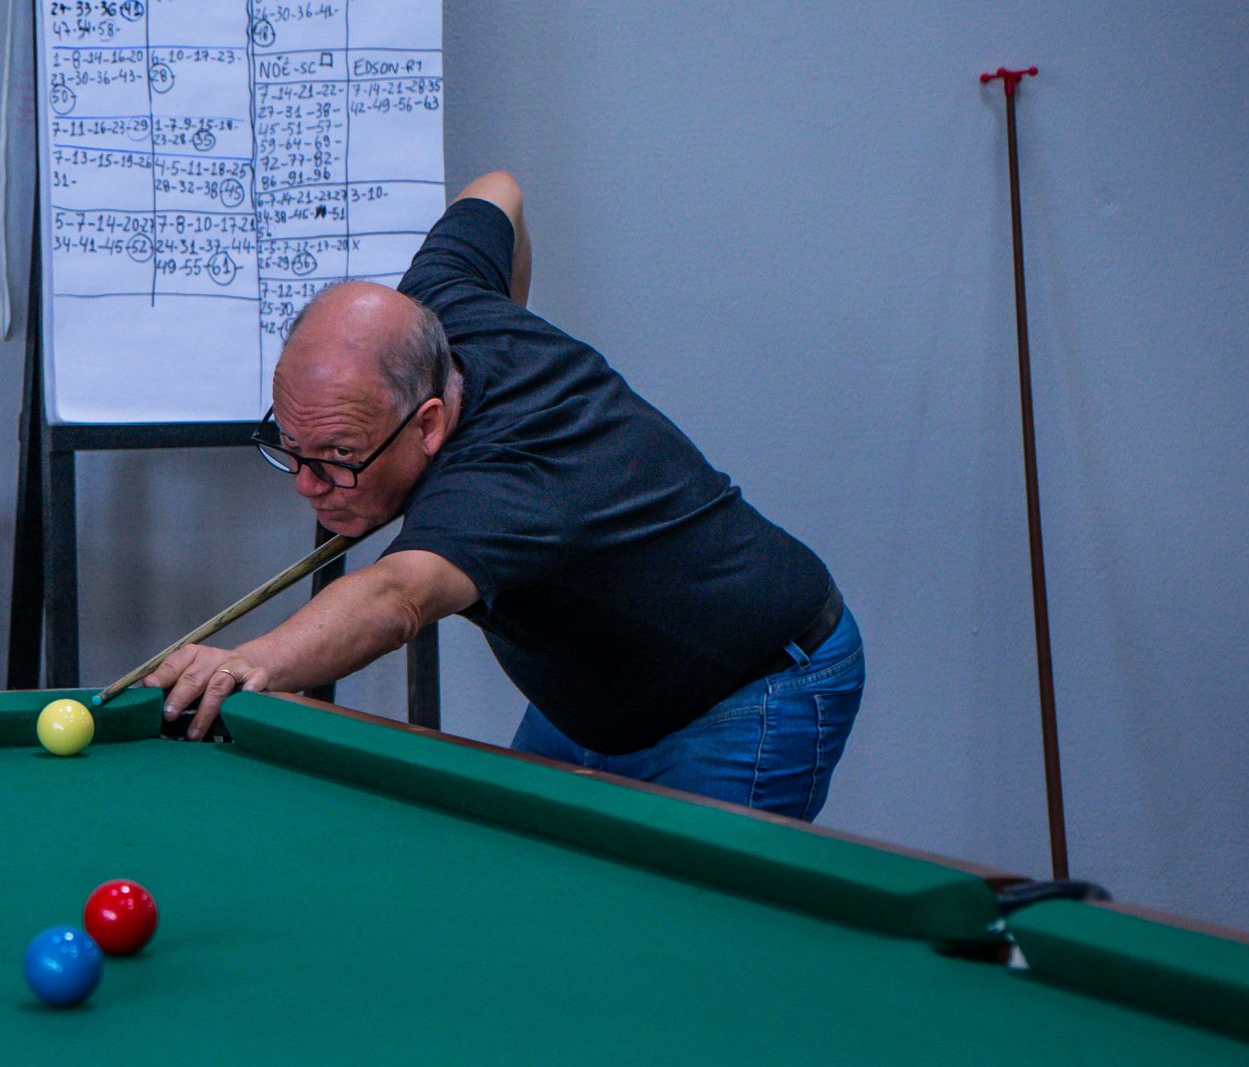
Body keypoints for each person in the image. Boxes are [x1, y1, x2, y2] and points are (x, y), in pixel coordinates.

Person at [146, 172, 862, 821]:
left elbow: (396, 598)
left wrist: (255, 662)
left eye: (339, 456)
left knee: (685, 923)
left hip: (750, 687)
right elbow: (499, 190)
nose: (308, 484)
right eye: (291, 447)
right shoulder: (444, 301)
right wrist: (510, 315)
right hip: (592, 695)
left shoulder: (506, 482)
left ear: (429, 424)